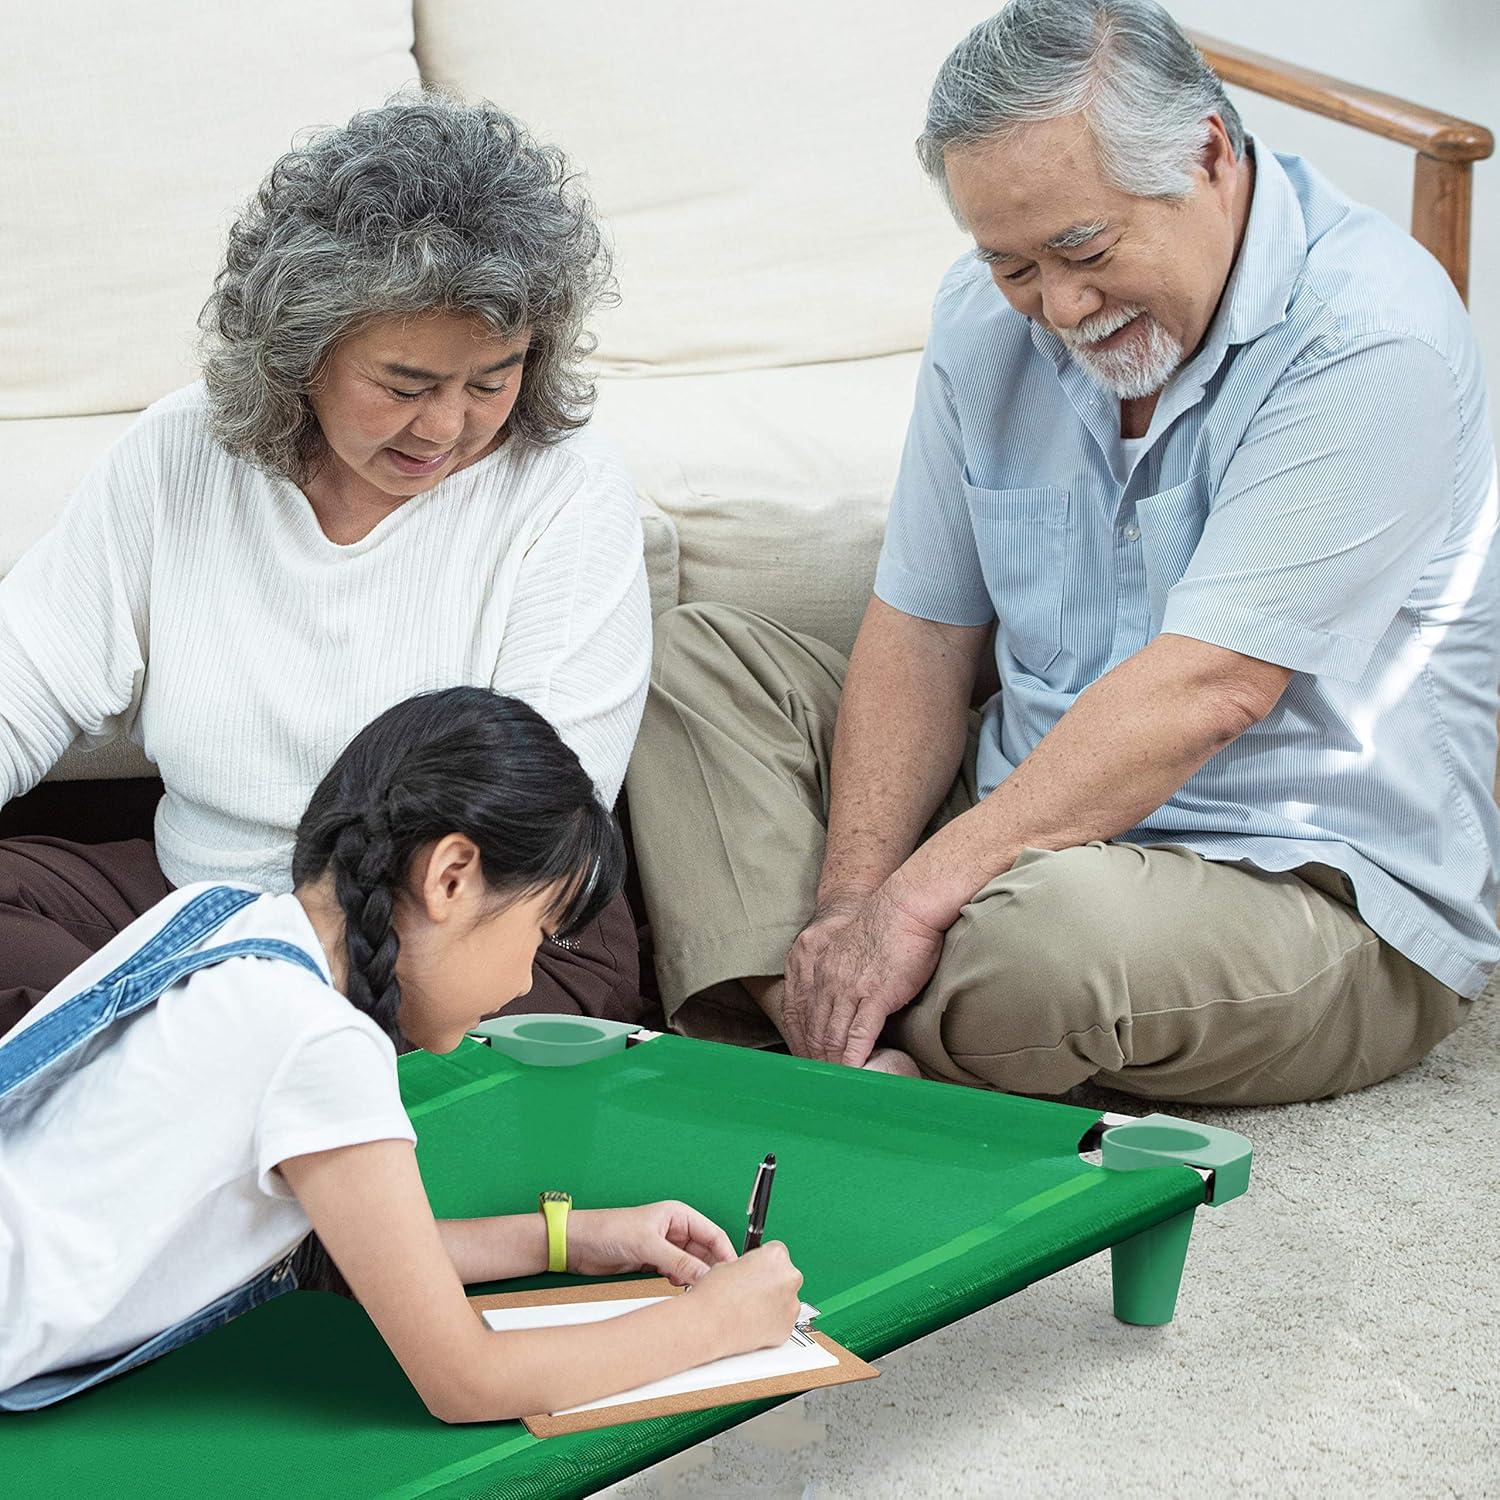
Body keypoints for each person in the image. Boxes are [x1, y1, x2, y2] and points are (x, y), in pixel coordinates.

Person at [625, 0, 1500, 1105]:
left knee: (1044, 947)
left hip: (1297, 883)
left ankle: (796, 1013)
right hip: (1021, 816)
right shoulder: (986, 322)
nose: (1063, 306)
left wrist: (911, 904)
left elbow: (1210, 691)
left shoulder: (1367, 339)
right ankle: (841, 1020)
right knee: (690, 660)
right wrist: (854, 900)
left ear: (1209, 154)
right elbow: (925, 625)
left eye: (1084, 249)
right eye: (1013, 265)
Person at [0, 93, 651, 1038]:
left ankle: (162, 1069)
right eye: (405, 385)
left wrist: (289, 971)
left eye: (492, 379)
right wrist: (248, 959)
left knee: (441, 1053)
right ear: (301, 353)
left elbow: (530, 824)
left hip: (464, 938)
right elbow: (22, 672)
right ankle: (194, 1066)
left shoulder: (567, 487)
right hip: (203, 906)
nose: (446, 427)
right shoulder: (183, 450)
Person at [0, 687, 803, 1416]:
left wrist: (575, 1236)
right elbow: (466, 1380)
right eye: (544, 930)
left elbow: (347, 1257)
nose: (530, 978)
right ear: (452, 876)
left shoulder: (220, 919)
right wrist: (714, 1323)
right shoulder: (321, 1039)